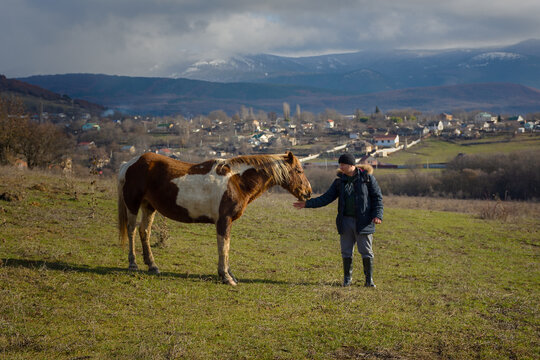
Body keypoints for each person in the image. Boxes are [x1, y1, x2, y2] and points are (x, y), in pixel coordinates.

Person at [293, 153, 383, 287]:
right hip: (345, 221)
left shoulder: (367, 179)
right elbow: (326, 198)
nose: (341, 167)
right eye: (340, 165)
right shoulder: (339, 182)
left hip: (364, 222)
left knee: (366, 251)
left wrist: (377, 215)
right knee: (346, 251)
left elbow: (377, 199)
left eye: (343, 164)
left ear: (351, 165)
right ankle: (347, 280)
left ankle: (369, 280)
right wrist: (307, 203)